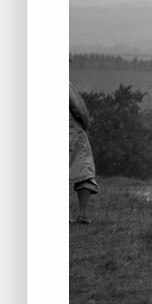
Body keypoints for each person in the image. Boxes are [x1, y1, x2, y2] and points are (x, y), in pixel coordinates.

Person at [69, 81, 99, 224]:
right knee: (84, 172)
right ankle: (82, 214)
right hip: (71, 134)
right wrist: (85, 125)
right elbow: (80, 109)